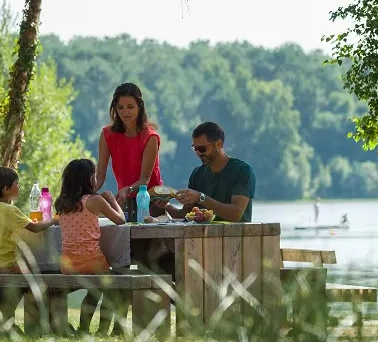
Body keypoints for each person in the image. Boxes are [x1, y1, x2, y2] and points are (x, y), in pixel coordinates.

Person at [0, 167, 59, 329]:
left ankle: (9, 320)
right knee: (34, 277)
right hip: (7, 266)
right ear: (6, 189)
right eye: (17, 184)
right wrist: (53, 220)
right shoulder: (11, 210)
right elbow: (35, 227)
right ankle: (34, 321)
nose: (19, 187)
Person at [54, 159, 126, 335]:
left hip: (68, 264)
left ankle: (85, 329)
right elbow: (120, 220)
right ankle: (102, 330)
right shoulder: (95, 200)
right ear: (88, 179)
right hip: (92, 263)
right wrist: (111, 199)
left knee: (93, 290)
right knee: (113, 291)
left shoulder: (61, 203)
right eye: (94, 175)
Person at [96, 82, 163, 220]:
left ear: (140, 107)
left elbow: (144, 179)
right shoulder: (107, 135)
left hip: (152, 203)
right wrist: (84, 195)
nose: (125, 112)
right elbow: (100, 173)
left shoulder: (150, 137)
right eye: (120, 107)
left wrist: (128, 189)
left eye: (130, 107)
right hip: (125, 202)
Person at [166, 121, 256, 222]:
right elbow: (185, 214)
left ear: (219, 144)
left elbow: (235, 215)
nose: (198, 154)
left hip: (235, 236)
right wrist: (166, 206)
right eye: (195, 149)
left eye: (202, 148)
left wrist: (201, 198)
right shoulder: (197, 174)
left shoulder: (242, 171)